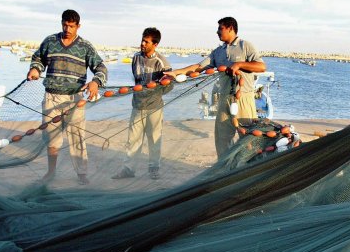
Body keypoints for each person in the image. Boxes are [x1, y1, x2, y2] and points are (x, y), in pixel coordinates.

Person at [164, 17, 266, 157]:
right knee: (222, 140)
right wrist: (175, 73)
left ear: (230, 28)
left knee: (248, 138)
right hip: (224, 98)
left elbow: (261, 66)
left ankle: (248, 170)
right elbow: (198, 67)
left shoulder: (245, 45)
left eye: (220, 28)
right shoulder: (218, 52)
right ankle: (224, 170)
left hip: (244, 98)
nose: (217, 32)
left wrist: (239, 64)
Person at [27, 9, 107, 185]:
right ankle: (51, 172)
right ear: (61, 23)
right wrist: (35, 69)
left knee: (77, 136)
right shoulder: (49, 41)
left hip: (75, 99)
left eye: (72, 26)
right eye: (65, 24)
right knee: (51, 137)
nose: (68, 29)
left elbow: (101, 67)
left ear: (78, 26)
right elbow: (38, 58)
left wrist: (96, 82)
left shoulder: (85, 47)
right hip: (52, 97)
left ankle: (81, 174)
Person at [112, 27, 172, 180]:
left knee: (154, 138)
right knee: (133, 139)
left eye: (146, 42)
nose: (143, 44)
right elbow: (137, 80)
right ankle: (129, 169)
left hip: (154, 107)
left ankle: (154, 168)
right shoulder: (136, 57)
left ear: (155, 44)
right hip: (137, 105)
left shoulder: (162, 62)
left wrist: (155, 93)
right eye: (142, 40)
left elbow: (169, 86)